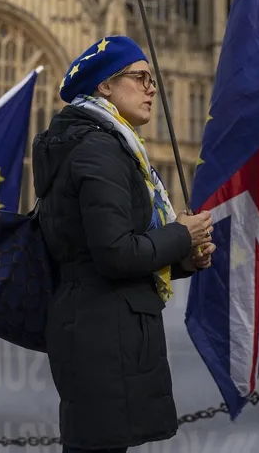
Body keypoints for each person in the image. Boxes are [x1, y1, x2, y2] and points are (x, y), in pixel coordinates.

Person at [33, 35, 216, 453]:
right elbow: (116, 252)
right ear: (105, 86)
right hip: (103, 336)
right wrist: (182, 234)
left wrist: (184, 256)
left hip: (103, 329)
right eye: (141, 77)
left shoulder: (104, 145)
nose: (152, 88)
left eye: (153, 79)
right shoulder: (99, 150)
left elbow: (106, 246)